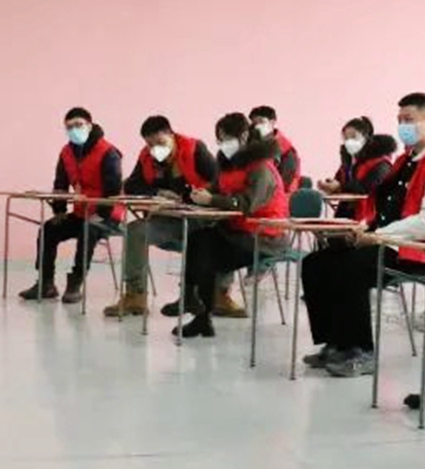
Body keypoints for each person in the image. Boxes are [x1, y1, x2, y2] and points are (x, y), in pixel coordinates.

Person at [302, 94, 425, 379]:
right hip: (386, 239)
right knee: (316, 263)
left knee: (350, 267)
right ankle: (336, 342)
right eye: (399, 120)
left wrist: (378, 235)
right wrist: (364, 228)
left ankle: (361, 350)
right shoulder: (406, 160)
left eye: (409, 120)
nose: (402, 126)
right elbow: (385, 207)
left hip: (413, 247)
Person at [176, 113, 290, 339]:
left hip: (265, 236)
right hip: (239, 230)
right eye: (219, 139)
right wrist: (198, 194)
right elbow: (218, 189)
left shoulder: (262, 168)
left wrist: (211, 200)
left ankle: (199, 310)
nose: (222, 144)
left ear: (244, 136)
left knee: (208, 254)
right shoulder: (231, 165)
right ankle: (192, 301)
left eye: (226, 138)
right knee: (198, 239)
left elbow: (246, 204)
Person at [102, 115, 219, 319]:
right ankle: (135, 295)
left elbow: (219, 181)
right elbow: (132, 185)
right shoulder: (147, 157)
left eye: (160, 142)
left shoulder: (195, 149)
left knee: (210, 239)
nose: (155, 148)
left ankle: (197, 295)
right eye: (150, 145)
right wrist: (157, 193)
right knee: (135, 231)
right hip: (168, 219)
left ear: (172, 135)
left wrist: (191, 196)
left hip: (200, 220)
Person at [17, 107, 123, 304]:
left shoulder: (108, 152)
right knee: (49, 228)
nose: (74, 130)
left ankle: (75, 282)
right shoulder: (66, 152)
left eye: (78, 125)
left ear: (89, 125)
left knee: (89, 229)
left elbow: (114, 188)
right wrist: (59, 210)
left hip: (108, 215)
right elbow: (60, 184)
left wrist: (101, 213)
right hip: (81, 213)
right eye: (69, 127)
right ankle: (46, 283)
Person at [319, 117, 397, 224]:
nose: (349, 142)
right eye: (346, 138)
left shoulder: (381, 164)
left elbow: (365, 188)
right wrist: (329, 185)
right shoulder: (348, 161)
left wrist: (340, 187)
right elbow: (339, 181)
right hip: (346, 213)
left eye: (354, 137)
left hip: (370, 217)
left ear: (365, 138)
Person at [248, 105, 302, 190]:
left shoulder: (287, 150)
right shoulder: (251, 144)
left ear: (272, 123)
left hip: (280, 193)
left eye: (261, 122)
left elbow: (283, 182)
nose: (256, 126)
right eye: (254, 123)